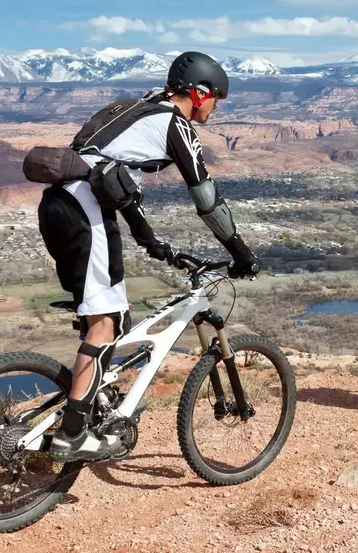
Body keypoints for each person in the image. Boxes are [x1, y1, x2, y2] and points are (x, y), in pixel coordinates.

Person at [36, 51, 261, 461]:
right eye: (216, 99)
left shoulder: (136, 108)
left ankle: (94, 406)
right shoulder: (175, 124)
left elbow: (112, 178)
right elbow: (207, 200)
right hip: (84, 211)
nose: (215, 108)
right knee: (104, 323)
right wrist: (241, 252)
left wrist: (152, 242)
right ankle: (73, 435)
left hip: (55, 204)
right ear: (198, 93)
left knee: (107, 318)